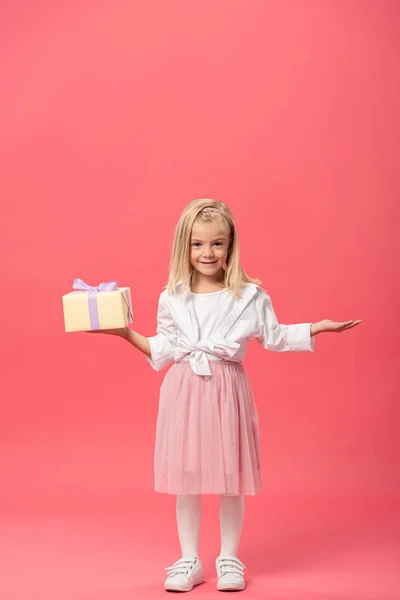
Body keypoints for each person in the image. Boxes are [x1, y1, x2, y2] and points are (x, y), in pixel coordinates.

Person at [88, 198, 361, 592]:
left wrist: (316, 327)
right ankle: (188, 560)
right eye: (198, 244)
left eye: (217, 243)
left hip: (227, 390)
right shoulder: (172, 297)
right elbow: (163, 348)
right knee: (187, 478)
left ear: (230, 245)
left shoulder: (248, 296)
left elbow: (277, 336)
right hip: (184, 390)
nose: (207, 252)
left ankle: (229, 558)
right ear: (185, 246)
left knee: (231, 477)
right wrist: (122, 333)